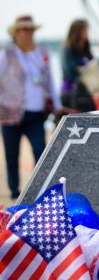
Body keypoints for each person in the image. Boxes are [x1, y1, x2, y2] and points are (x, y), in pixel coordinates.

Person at [0, 14, 56, 200]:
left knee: (41, 151)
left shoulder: (42, 52)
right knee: (11, 155)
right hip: (10, 112)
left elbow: (49, 80)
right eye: (24, 29)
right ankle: (14, 191)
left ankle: (37, 189)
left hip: (36, 112)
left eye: (30, 29)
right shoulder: (6, 53)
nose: (28, 33)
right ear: (16, 33)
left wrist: (56, 104)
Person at [60, 18, 92, 108]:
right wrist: (85, 69)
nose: (87, 33)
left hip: (85, 93)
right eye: (85, 30)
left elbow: (94, 65)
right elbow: (70, 71)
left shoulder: (85, 47)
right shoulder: (67, 47)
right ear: (78, 31)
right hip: (70, 92)